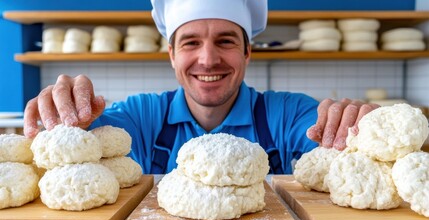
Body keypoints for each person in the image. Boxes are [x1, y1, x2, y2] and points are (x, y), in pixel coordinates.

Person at [23, 0, 378, 174]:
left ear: (247, 52)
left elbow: (340, 146)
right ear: (171, 55)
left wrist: (364, 128)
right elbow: (88, 139)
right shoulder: (142, 116)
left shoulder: (287, 114)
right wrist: (67, 121)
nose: (208, 60)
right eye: (191, 43)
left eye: (225, 41)